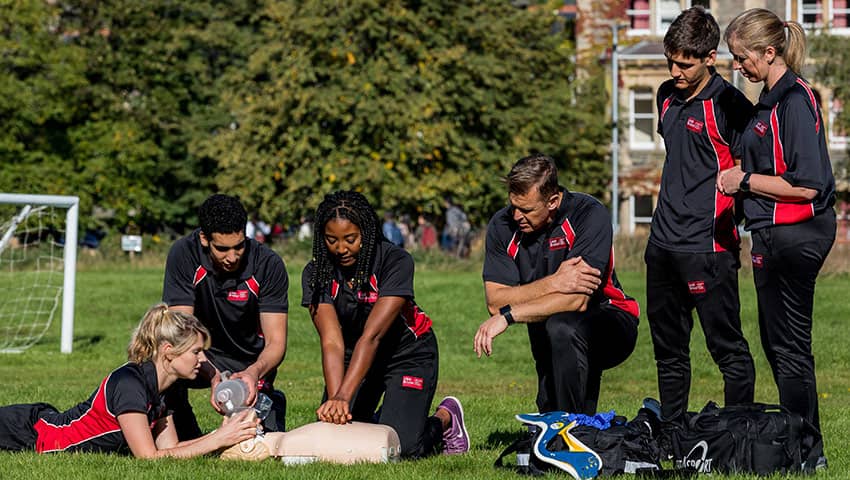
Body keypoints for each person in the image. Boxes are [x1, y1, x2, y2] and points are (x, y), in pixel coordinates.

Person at [718, 9, 836, 468]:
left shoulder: (795, 100)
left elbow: (807, 185)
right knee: (776, 342)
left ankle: (808, 453)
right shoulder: (767, 100)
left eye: (742, 57)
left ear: (769, 53)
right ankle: (798, 445)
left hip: (797, 233)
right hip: (770, 234)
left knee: (788, 346)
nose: (737, 66)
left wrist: (744, 180)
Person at [646, 6, 756, 424]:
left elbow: (753, 172)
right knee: (669, 352)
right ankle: (673, 436)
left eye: (685, 64)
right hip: (661, 247)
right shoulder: (665, 96)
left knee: (727, 349)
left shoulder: (731, 106)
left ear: (711, 57)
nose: (675, 70)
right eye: (670, 61)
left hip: (709, 248)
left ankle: (738, 435)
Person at [301, 190, 469, 458]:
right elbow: (331, 340)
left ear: (366, 233)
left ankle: (446, 418)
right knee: (339, 437)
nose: (341, 248)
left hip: (406, 354)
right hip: (353, 354)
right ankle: (389, 415)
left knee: (401, 450)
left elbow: (373, 336)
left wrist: (345, 397)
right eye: (331, 240)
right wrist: (336, 401)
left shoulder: (395, 261)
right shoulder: (316, 272)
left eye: (350, 239)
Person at [474, 154, 640, 415]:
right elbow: (495, 301)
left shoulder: (588, 214)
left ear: (552, 201)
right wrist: (555, 281)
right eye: (513, 206)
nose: (516, 215)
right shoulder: (502, 225)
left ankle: (570, 430)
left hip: (611, 318)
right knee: (549, 410)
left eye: (526, 209)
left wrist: (509, 315)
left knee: (562, 325)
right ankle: (567, 427)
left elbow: (576, 300)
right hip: (547, 324)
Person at [0, 304, 259, 457]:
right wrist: (217, 440)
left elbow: (171, 449)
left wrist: (222, 435)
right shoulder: (130, 384)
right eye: (195, 352)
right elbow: (148, 458)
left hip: (39, 420)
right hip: (28, 433)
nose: (203, 360)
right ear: (168, 351)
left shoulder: (164, 389)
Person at [162, 194, 289, 439]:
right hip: (199, 353)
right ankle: (186, 433)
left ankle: (270, 400)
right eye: (222, 248)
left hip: (249, 362)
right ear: (204, 239)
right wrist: (212, 375)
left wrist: (253, 372)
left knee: (255, 443)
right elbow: (181, 333)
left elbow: (276, 343)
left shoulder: (269, 264)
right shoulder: (183, 254)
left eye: (239, 246)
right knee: (163, 363)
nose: (232, 257)